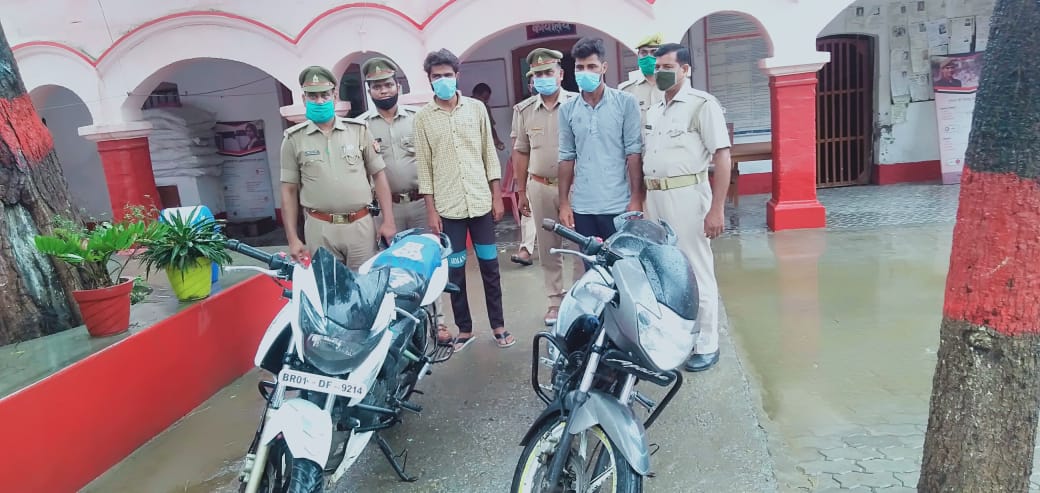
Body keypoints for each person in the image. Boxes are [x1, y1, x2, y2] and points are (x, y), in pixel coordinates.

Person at [414, 48, 514, 351]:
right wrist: (431, 211)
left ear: (457, 75)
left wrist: (497, 196)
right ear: (429, 80)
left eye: (447, 74)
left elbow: (488, 154)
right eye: (437, 76)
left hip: (481, 203)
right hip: (449, 209)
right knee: (455, 271)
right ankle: (465, 329)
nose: (443, 80)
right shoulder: (423, 118)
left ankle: (498, 325)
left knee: (490, 268)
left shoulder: (476, 109)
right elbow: (424, 168)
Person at [642, 43, 731, 372]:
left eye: (668, 67)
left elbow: (722, 156)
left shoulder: (701, 105)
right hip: (654, 198)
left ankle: (707, 343)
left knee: (696, 270)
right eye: (657, 67)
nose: (661, 72)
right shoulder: (654, 109)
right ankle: (677, 338)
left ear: (685, 69)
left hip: (687, 197)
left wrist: (716, 209)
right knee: (665, 270)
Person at [358, 56, 453, 346]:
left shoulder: (417, 118)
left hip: (421, 204)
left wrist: (435, 207)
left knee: (428, 263)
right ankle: (401, 325)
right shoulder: (360, 127)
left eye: (388, 84)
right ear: (369, 91)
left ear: (398, 86)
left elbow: (435, 161)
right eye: (377, 87)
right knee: (390, 268)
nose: (384, 90)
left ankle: (438, 322)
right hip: (385, 211)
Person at [279, 65, 397, 270]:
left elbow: (378, 175)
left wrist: (388, 220)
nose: (319, 101)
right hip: (320, 228)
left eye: (324, 95)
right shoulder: (293, 139)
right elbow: (288, 191)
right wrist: (292, 238)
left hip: (360, 225)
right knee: (330, 287)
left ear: (334, 96)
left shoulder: (358, 131)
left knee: (364, 284)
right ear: (304, 99)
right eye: (313, 96)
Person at [514, 48, 583, 326]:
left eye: (548, 72)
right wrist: (521, 191)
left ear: (561, 74)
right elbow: (521, 151)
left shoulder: (578, 104)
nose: (543, 78)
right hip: (540, 186)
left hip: (576, 188)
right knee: (548, 248)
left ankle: (578, 300)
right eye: (538, 74)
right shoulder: (524, 110)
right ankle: (555, 301)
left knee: (579, 247)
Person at [558, 36, 644, 242]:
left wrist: (636, 198)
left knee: (621, 259)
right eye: (580, 67)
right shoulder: (567, 109)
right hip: (583, 207)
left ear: (604, 68)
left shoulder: (625, 102)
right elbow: (566, 157)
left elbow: (633, 153)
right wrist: (564, 203)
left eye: (592, 67)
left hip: (619, 205)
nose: (585, 72)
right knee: (590, 261)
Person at [509, 78, 538, 268]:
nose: (540, 82)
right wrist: (517, 174)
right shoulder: (522, 109)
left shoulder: (570, 103)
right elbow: (517, 145)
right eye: (534, 80)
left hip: (566, 172)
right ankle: (526, 250)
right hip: (533, 172)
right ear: (529, 86)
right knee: (529, 211)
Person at [619, 33, 665, 129]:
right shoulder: (626, 90)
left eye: (654, 52)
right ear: (638, 56)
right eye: (644, 53)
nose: (648, 57)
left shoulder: (672, 86)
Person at [471, 83, 507, 151]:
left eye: (487, 99)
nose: (486, 101)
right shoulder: (464, 107)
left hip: (484, 144)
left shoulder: (486, 108)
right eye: (484, 98)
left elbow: (491, 127)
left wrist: (497, 141)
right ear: (475, 95)